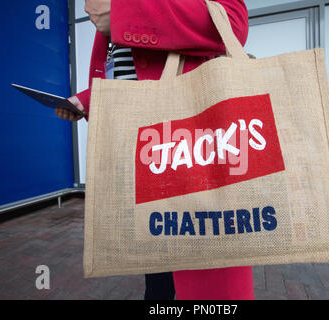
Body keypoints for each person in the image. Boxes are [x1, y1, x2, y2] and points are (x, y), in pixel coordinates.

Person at [55, 0, 254, 299]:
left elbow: (233, 21)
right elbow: (126, 65)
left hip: (189, 143)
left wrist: (123, 13)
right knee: (159, 254)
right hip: (141, 145)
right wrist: (88, 98)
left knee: (200, 264)